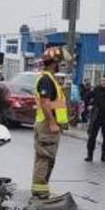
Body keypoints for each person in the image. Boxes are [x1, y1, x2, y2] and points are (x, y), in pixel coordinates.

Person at [31, 53, 68, 199]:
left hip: (47, 123)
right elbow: (45, 103)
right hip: (47, 124)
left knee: (45, 157)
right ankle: (41, 191)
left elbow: (53, 104)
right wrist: (52, 123)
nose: (59, 65)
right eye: (58, 62)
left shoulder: (49, 79)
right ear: (53, 63)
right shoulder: (46, 80)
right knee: (45, 157)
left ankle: (40, 189)